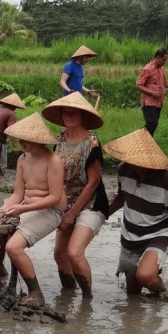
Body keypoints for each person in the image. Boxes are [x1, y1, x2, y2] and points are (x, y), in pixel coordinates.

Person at [0, 113, 67, 307]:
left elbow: (54, 197)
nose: (22, 142)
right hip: (25, 207)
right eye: (20, 139)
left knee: (13, 247)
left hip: (51, 210)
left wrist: (20, 210)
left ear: (38, 139)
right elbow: (17, 194)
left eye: (27, 139)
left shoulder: (53, 161)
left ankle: (36, 292)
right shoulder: (22, 159)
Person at [104, 128, 168, 296]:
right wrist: (103, 213)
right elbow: (122, 196)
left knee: (145, 276)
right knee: (132, 292)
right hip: (130, 234)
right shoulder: (123, 170)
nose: (129, 163)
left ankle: (164, 293)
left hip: (158, 234)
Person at [41, 92, 109, 297]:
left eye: (73, 113)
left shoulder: (92, 143)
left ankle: (87, 299)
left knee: (74, 253)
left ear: (82, 116)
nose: (68, 116)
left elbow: (94, 182)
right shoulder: (59, 139)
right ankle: (68, 295)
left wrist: (72, 214)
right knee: (60, 254)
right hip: (65, 202)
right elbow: (53, 174)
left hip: (91, 204)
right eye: (65, 112)